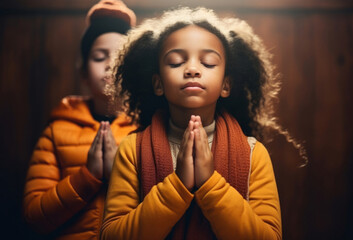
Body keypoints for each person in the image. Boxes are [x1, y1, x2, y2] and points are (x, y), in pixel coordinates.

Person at [100, 7, 292, 240]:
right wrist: (177, 186)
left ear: (226, 85)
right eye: (176, 62)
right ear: (158, 84)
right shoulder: (132, 150)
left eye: (208, 63)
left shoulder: (254, 154)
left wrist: (210, 184)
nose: (192, 69)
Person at [22, 1, 136, 239]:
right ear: (83, 71)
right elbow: (34, 217)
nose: (110, 65)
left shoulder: (147, 128)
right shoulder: (57, 130)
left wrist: (121, 173)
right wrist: (88, 176)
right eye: (99, 57)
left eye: (120, 57)